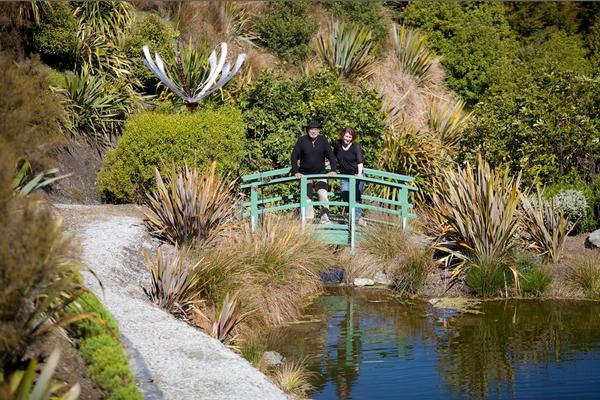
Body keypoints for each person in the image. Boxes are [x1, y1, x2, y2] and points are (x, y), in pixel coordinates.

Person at [291, 120, 337, 223]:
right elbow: (294, 156)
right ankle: (309, 221)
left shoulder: (323, 140)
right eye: (311, 129)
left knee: (323, 195)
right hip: (305, 175)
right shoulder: (302, 140)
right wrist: (295, 171)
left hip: (320, 173)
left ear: (319, 131)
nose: (313, 131)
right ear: (307, 130)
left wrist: (333, 169)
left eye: (315, 129)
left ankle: (324, 219)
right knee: (307, 198)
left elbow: (330, 155)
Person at [334, 126, 366, 226]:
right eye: (346, 136)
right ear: (342, 135)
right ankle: (353, 217)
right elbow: (334, 156)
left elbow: (360, 161)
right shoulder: (338, 144)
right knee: (345, 195)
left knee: (356, 197)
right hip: (345, 176)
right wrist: (329, 164)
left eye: (350, 137)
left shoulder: (355, 147)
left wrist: (359, 174)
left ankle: (356, 219)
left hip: (356, 175)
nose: (348, 139)